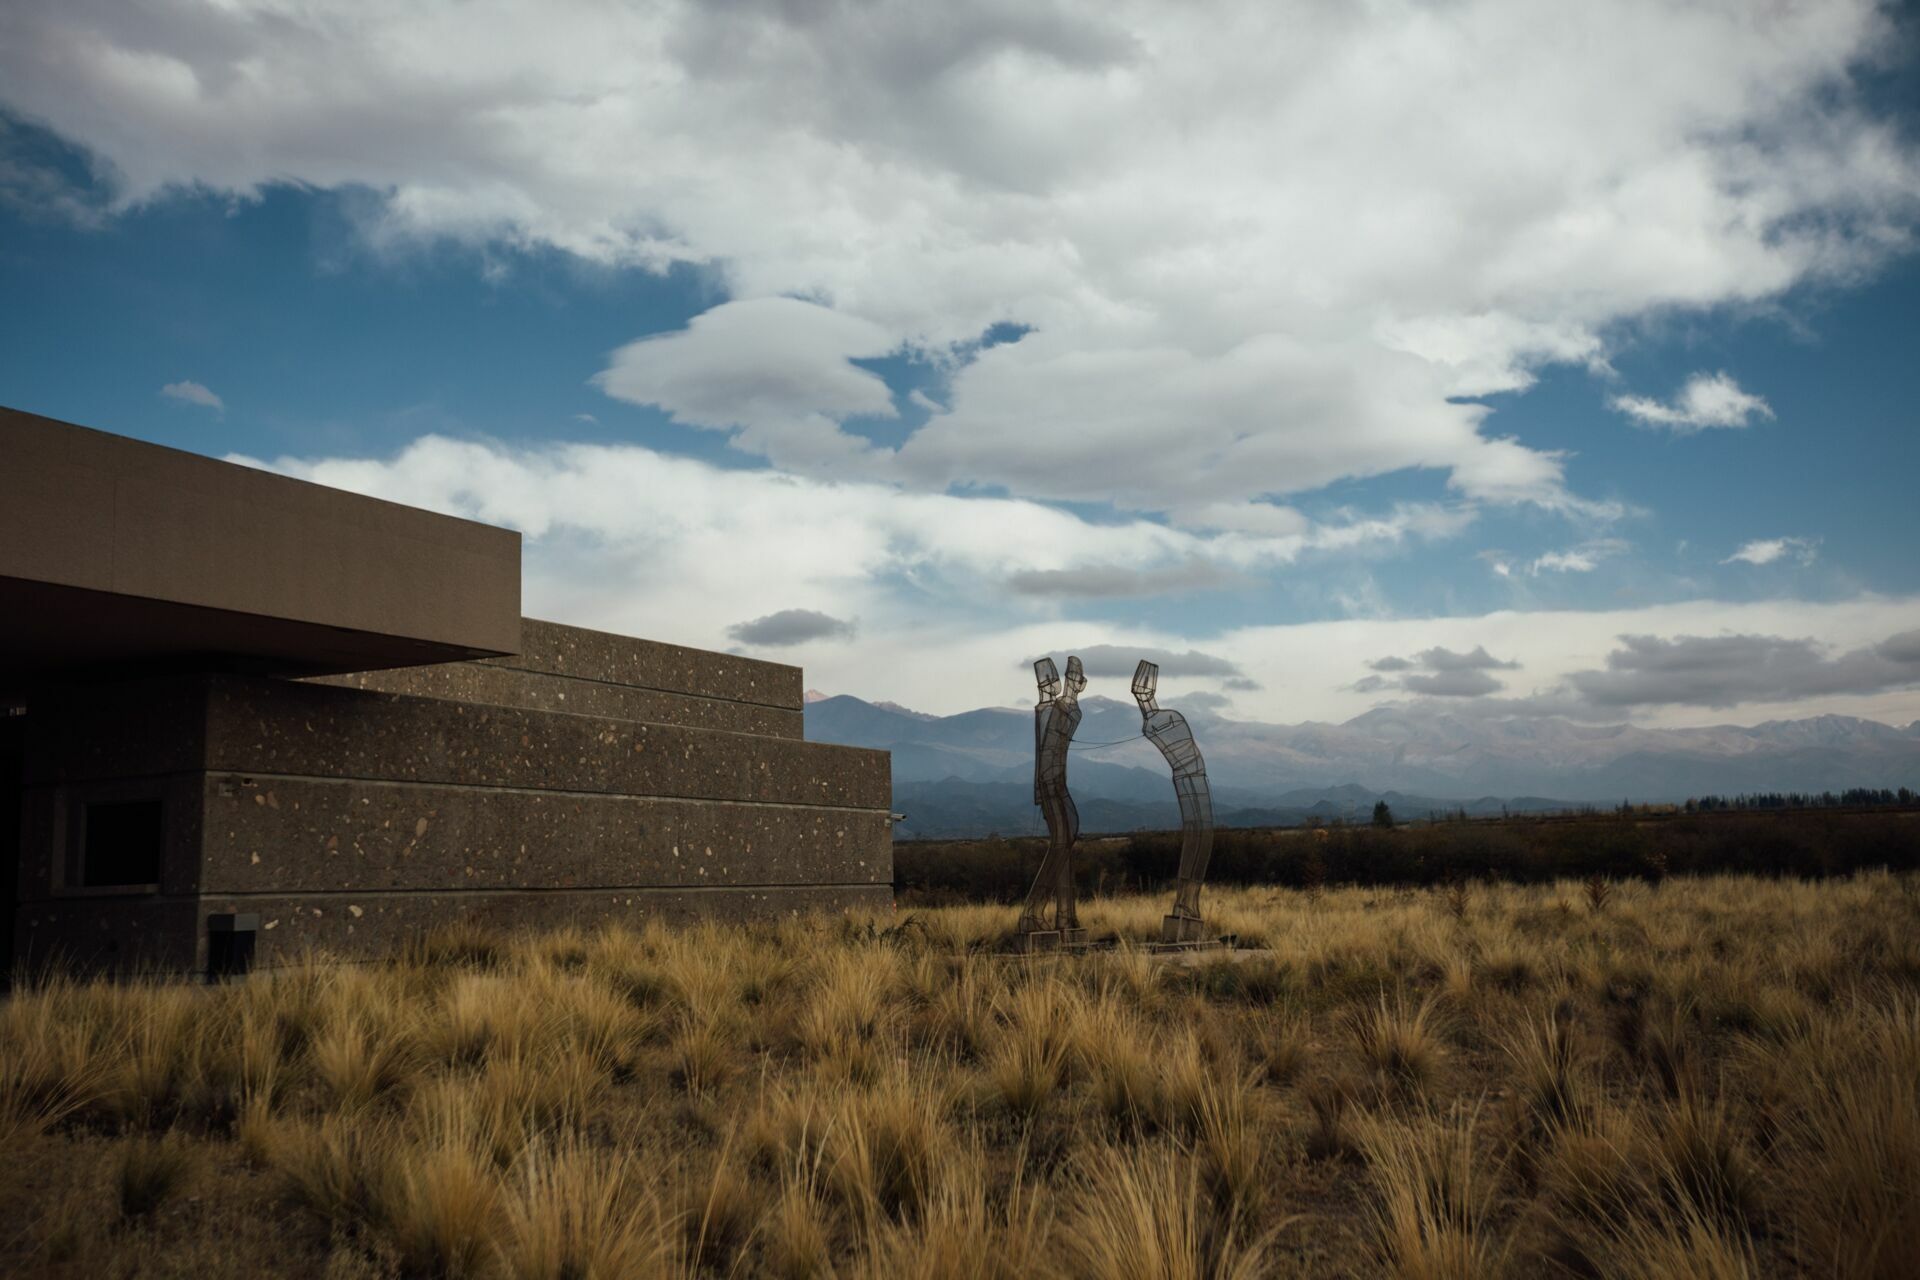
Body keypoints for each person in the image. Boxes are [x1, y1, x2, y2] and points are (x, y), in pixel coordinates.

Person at [1132, 659, 1214, 942]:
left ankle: (1187, 903)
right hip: (1192, 780)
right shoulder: (1162, 719)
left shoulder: (1154, 721)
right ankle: (1187, 903)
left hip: (1189, 779)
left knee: (1199, 839)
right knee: (1200, 838)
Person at [1017, 655, 1085, 940]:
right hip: (1053, 784)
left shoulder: (1056, 707)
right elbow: (1047, 753)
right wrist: (1046, 789)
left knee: (1066, 842)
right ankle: (1032, 912)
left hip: (1053, 784)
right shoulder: (1055, 708)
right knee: (1062, 843)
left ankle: (1065, 915)